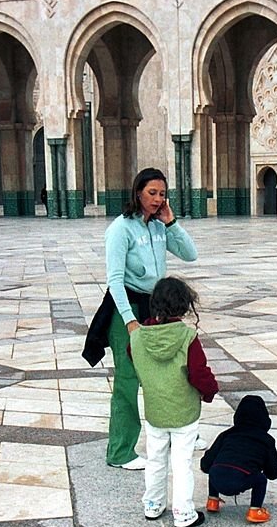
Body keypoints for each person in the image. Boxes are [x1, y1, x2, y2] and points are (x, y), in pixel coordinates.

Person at [81, 167, 198, 471]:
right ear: (137, 193)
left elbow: (190, 254)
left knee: (168, 373)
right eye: (152, 193)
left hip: (156, 310)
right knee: (128, 379)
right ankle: (121, 451)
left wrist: (171, 223)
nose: (158, 199)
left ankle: (177, 431)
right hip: (127, 310)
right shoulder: (121, 229)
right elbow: (115, 281)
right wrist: (130, 320)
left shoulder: (159, 227)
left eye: (162, 193)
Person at [130, 277, 218, 527]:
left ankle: (153, 505)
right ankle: (183, 512)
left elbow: (130, 355)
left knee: (155, 459)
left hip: (155, 411)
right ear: (183, 306)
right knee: (181, 464)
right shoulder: (188, 338)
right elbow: (199, 374)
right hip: (184, 413)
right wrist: (210, 392)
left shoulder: (137, 338)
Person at [200, 395, 277, 524]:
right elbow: (273, 471)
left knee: (216, 466)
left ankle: (213, 501)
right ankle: (255, 510)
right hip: (240, 480)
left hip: (217, 478)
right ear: (264, 418)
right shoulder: (266, 440)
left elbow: (206, 464)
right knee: (260, 479)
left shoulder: (226, 434)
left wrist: (209, 467)